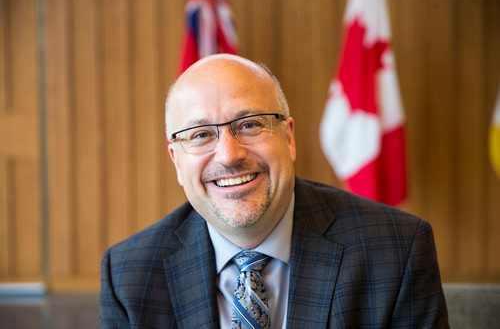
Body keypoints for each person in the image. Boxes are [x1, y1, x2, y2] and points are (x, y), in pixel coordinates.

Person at [100, 54, 449, 328]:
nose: (229, 155)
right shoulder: (129, 275)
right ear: (176, 160)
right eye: (201, 134)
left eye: (250, 125)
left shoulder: (396, 250)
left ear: (289, 137)